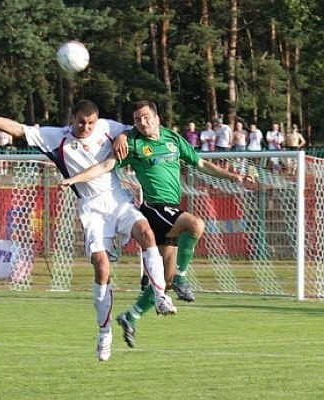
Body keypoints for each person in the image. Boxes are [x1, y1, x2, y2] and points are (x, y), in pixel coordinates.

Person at [0, 98, 176, 362]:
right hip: (91, 208)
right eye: (81, 122)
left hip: (118, 199)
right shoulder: (55, 137)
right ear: (72, 119)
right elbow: (19, 129)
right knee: (101, 268)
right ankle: (104, 333)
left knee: (147, 234)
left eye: (90, 123)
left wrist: (123, 135)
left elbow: (135, 129)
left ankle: (160, 296)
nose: (86, 128)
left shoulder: (108, 127)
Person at [60, 100, 253, 348]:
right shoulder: (133, 144)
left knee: (164, 279)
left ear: (157, 117)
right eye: (137, 119)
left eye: (146, 117)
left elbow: (201, 164)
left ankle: (131, 316)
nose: (143, 122)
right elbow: (106, 165)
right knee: (195, 224)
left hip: (170, 211)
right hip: (154, 209)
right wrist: (73, 179)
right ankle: (183, 277)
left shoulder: (172, 138)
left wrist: (233, 176)